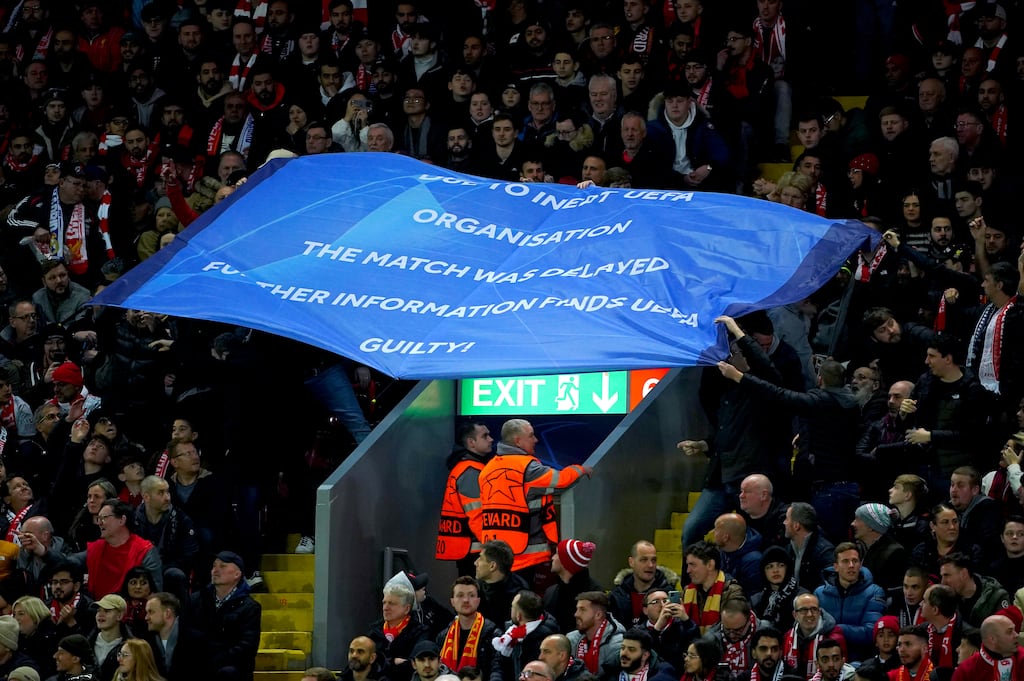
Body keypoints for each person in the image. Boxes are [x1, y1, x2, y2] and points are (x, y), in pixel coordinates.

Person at [716, 357, 861, 543]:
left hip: (829, 491)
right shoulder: (851, 404)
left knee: (828, 545)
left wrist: (739, 376)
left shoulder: (820, 401)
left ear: (820, 380)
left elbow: (778, 394)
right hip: (848, 485)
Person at [477, 419, 590, 576]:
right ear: (518, 441)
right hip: (523, 557)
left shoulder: (487, 469)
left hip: (493, 555)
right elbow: (562, 480)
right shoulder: (528, 468)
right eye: (531, 436)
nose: (536, 440)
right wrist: (580, 469)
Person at [188, 551, 261, 681]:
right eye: (214, 566)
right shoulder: (196, 600)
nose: (215, 570)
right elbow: (188, 634)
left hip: (231, 667)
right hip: (200, 662)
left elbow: (247, 647)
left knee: (228, 673)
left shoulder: (250, 607)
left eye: (222, 566)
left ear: (237, 574)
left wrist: (216, 658)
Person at [436, 422, 493, 575]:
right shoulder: (470, 471)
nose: (491, 439)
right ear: (471, 442)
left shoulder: (465, 467)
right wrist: (493, 548)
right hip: (475, 550)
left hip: (468, 548)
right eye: (485, 436)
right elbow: (476, 515)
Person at [814, 543, 887, 660]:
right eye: (845, 561)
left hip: (862, 660)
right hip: (826, 659)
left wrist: (839, 629)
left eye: (855, 561)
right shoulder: (819, 594)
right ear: (836, 567)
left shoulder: (874, 592)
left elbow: (871, 632)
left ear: (860, 564)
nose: (851, 565)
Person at [433, 576, 499, 681]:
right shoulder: (442, 637)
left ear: (478, 601)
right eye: (460, 595)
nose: (466, 600)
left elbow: (497, 670)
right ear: (452, 602)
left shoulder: (493, 634)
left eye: (471, 595)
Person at [491, 589, 557, 680]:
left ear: (519, 616)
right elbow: (498, 663)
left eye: (512, 607)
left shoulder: (545, 641)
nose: (510, 609)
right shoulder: (510, 632)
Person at [609, 540, 678, 627]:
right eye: (644, 560)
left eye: (653, 560)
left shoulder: (668, 594)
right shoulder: (617, 595)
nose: (650, 565)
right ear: (631, 562)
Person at [680, 541, 742, 634]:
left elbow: (730, 632)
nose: (688, 570)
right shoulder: (687, 591)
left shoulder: (731, 592)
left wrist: (687, 621)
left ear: (710, 565)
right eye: (687, 565)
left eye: (693, 565)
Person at [783, 593, 847, 680]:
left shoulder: (834, 637)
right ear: (795, 615)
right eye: (804, 610)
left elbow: (840, 671)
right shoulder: (788, 637)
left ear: (819, 612)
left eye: (814, 609)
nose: (809, 614)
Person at [543, 539, 601, 635]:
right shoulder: (550, 592)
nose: (552, 558)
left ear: (566, 562)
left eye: (557, 554)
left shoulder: (594, 594)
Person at [938, 553, 1009, 628]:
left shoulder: (997, 596)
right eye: (942, 576)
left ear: (963, 574)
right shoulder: (945, 597)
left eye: (947, 575)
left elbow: (1002, 631)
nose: (943, 582)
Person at [851, 504, 908, 592]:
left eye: (858, 520)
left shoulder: (895, 553)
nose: (853, 523)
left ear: (871, 526)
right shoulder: (860, 548)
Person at [951, 614, 1024, 681]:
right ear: (992, 639)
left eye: (1014, 630)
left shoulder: (1022, 659)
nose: (1016, 635)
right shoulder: (966, 671)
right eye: (1009, 632)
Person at [565, 591, 624, 674]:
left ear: (598, 615)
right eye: (577, 609)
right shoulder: (571, 639)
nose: (576, 614)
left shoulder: (617, 645)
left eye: (582, 609)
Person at [921, 584, 965, 672]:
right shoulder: (921, 631)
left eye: (924, 601)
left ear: (935, 610)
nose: (920, 603)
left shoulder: (965, 635)